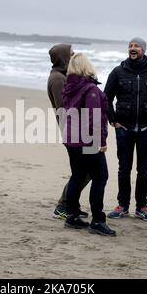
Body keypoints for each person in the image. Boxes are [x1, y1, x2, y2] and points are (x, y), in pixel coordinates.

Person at [104, 37, 147, 222]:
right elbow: (106, 98)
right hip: (124, 128)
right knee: (124, 168)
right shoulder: (118, 72)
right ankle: (122, 205)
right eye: (130, 46)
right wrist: (114, 121)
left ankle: (142, 207)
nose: (133, 48)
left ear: (143, 50)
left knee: (144, 170)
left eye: (137, 46)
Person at [61, 53, 115, 236]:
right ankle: (98, 220)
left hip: (71, 138)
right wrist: (101, 141)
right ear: (87, 67)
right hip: (87, 140)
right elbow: (94, 118)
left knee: (77, 175)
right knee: (101, 177)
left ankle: (72, 215)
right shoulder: (90, 89)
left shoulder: (69, 86)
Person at [47, 44, 89, 220]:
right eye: (70, 53)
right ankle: (63, 206)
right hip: (72, 132)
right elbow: (64, 108)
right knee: (84, 171)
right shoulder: (57, 79)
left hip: (76, 130)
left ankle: (72, 204)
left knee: (82, 170)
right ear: (63, 57)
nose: (73, 55)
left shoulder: (64, 76)